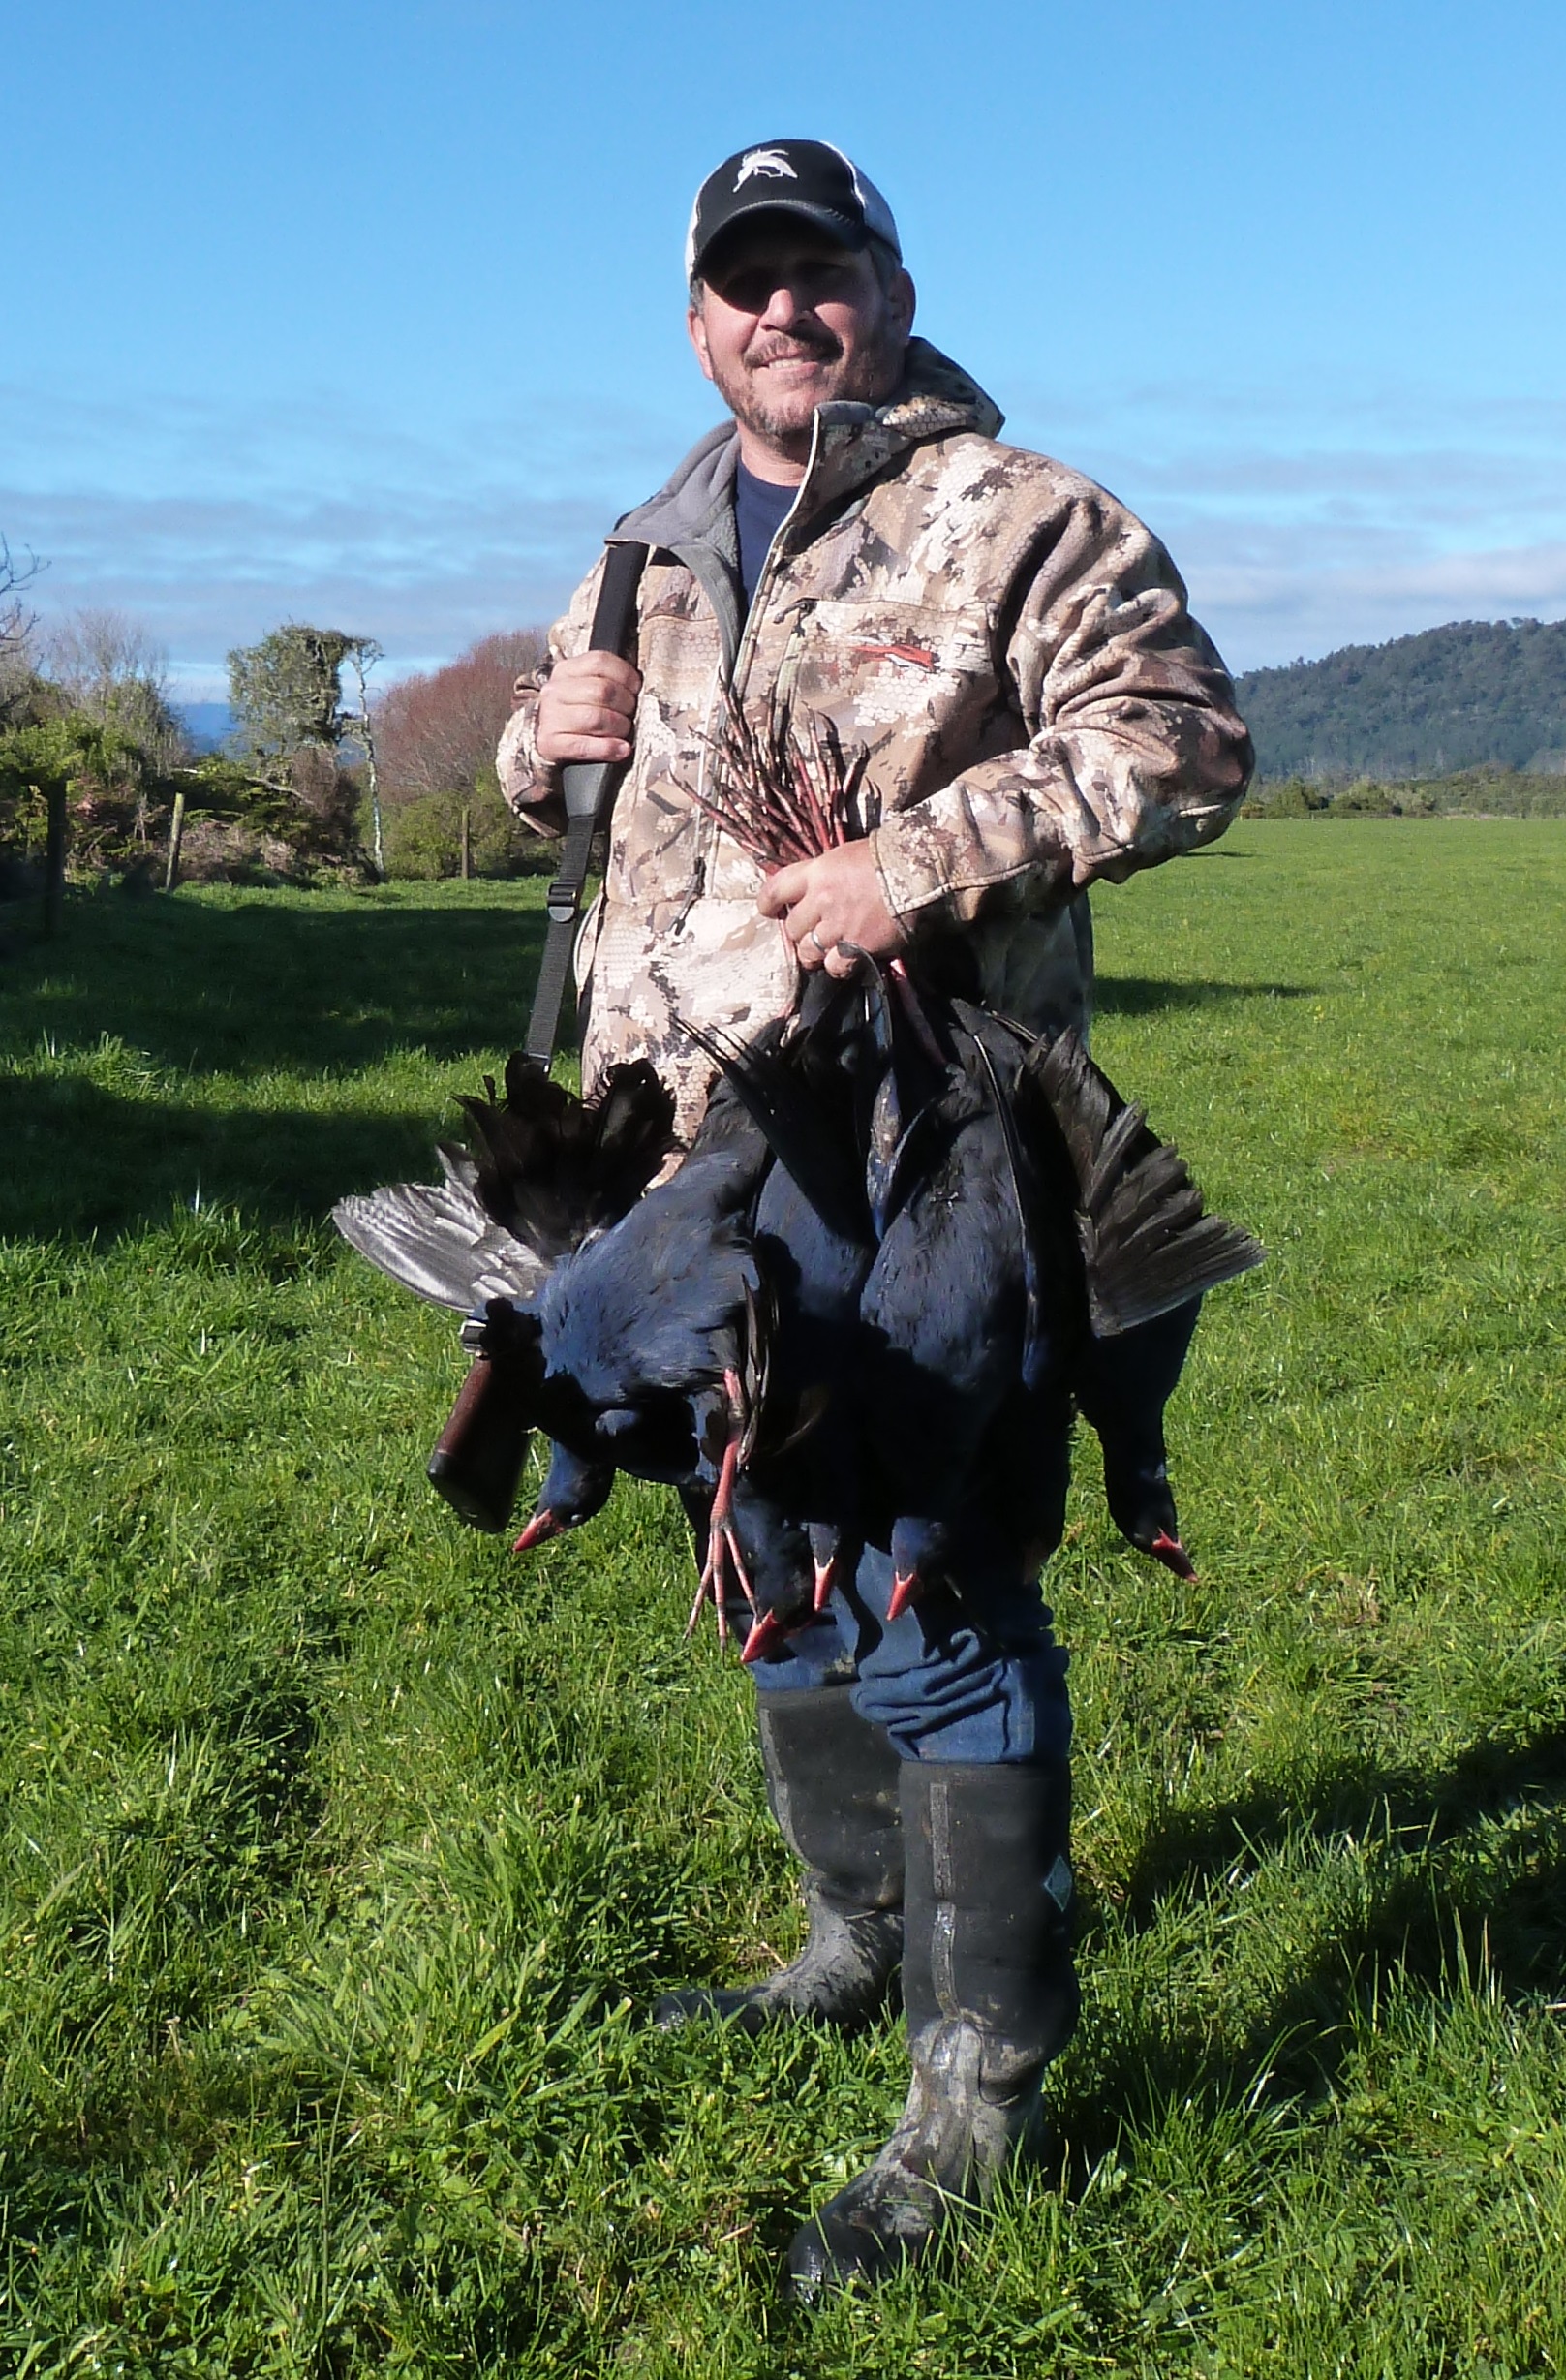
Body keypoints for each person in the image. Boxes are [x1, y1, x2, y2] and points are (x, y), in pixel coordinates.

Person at [497, 138, 1252, 2294]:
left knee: (930, 1577)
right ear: (693, 316)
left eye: (817, 273)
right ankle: (853, 1934)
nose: (782, 314)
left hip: (926, 1152)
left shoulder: (1016, 515)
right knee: (763, 1536)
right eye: (744, 282)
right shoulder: (641, 547)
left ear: (889, 292)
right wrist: (540, 743)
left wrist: (916, 860)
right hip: (678, 1159)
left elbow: (1185, 744)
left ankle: (977, 2076)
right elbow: (592, 784)